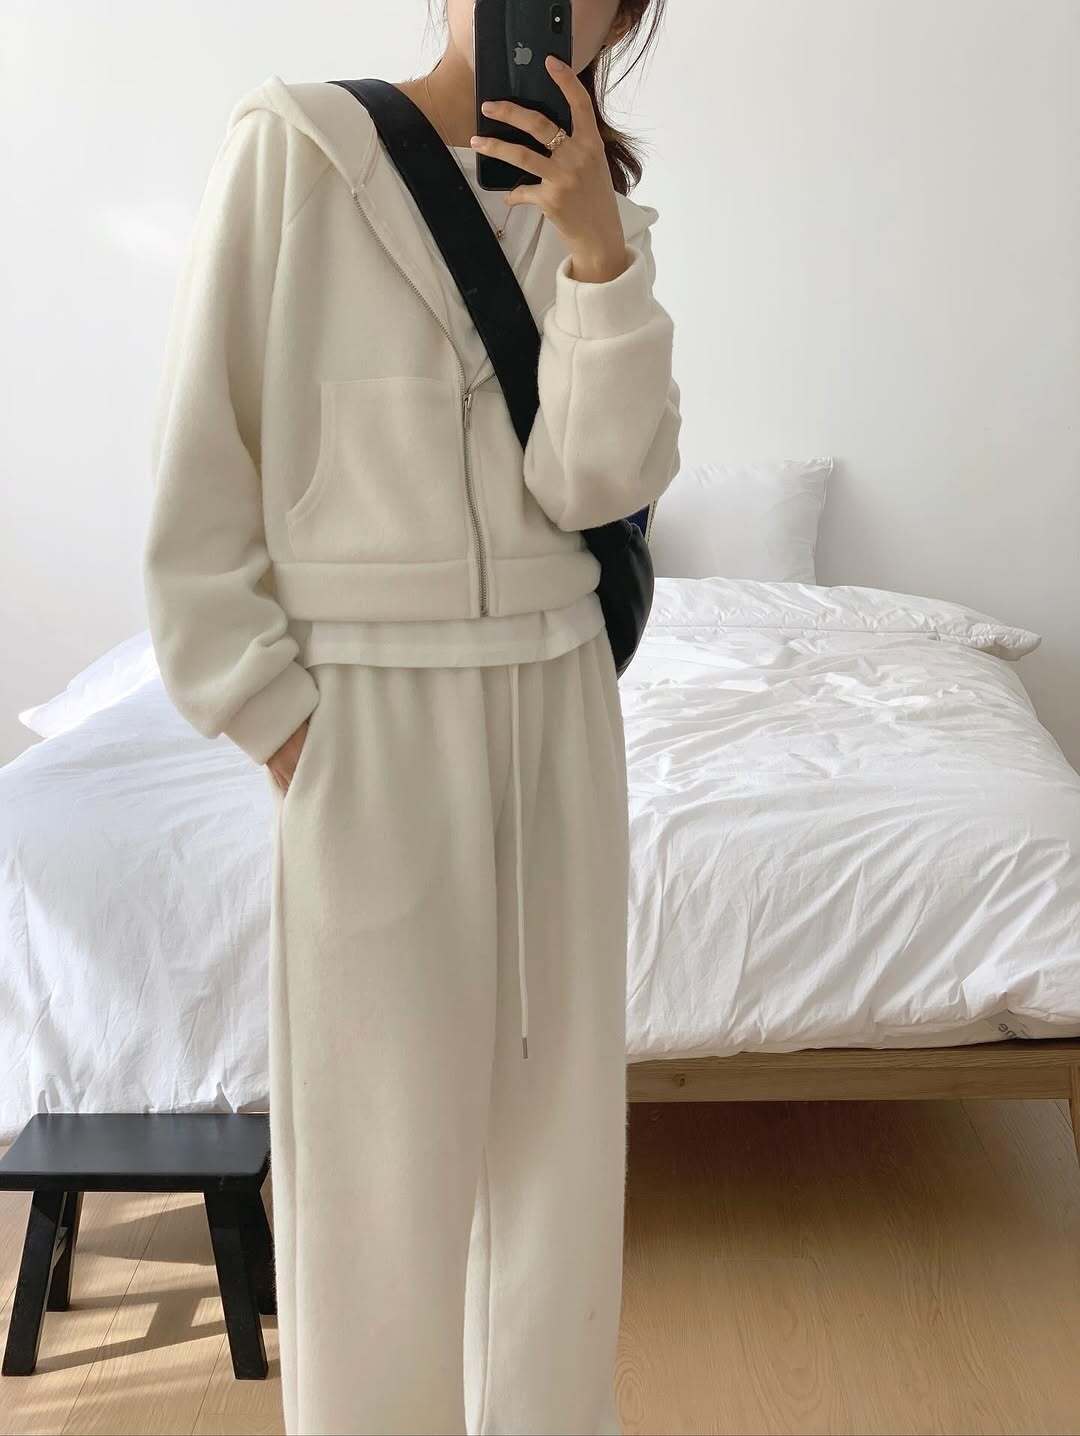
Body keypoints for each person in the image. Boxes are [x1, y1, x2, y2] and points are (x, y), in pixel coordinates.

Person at [142, 1, 679, 1431]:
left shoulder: (600, 216)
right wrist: (279, 718)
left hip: (558, 700)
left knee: (559, 1162)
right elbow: (204, 462)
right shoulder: (295, 147)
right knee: (371, 1170)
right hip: (366, 715)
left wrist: (597, 254)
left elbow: (594, 486)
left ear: (622, 16)